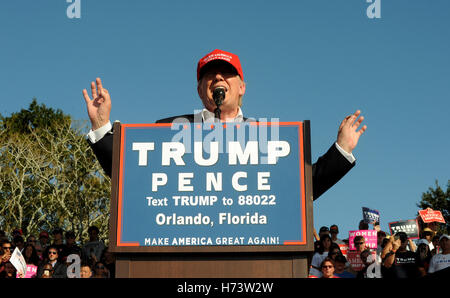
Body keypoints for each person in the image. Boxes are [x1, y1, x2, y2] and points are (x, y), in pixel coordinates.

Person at [82, 49, 367, 201]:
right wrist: (102, 125)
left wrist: (340, 149)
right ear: (199, 90)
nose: (218, 78)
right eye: (209, 75)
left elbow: (302, 189)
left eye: (226, 74)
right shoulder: (168, 129)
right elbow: (130, 176)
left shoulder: (269, 136)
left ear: (242, 87)